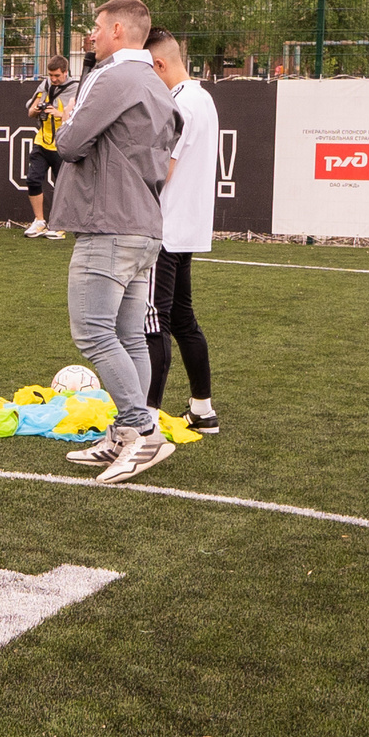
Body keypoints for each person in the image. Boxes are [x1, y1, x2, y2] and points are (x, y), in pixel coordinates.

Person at [52, 0, 178, 483]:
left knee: (94, 332)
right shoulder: (155, 81)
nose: (92, 36)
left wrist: (67, 122)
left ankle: (141, 429)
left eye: (98, 28)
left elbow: (69, 143)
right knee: (128, 335)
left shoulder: (115, 76)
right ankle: (129, 432)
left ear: (120, 32)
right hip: (143, 225)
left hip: (110, 224)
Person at [144, 29, 219, 434]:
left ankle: (146, 423)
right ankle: (202, 410)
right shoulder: (203, 98)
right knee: (182, 320)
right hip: (188, 228)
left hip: (165, 230)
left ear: (159, 65)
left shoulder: (179, 104)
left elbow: (163, 171)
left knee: (153, 322)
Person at [22, 59, 72, 240]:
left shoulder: (75, 88)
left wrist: (59, 113)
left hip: (62, 144)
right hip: (42, 141)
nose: (53, 79)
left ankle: (60, 224)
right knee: (33, 180)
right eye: (51, 75)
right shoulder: (44, 85)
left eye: (57, 75)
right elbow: (30, 111)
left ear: (66, 72)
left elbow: (78, 114)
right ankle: (39, 221)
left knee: (62, 186)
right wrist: (37, 109)